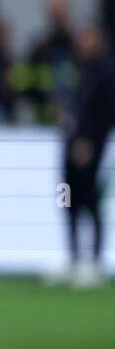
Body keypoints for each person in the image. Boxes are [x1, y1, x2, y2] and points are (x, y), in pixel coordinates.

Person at [59, 25, 115, 287]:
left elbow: (104, 113)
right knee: (66, 199)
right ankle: (72, 258)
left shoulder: (105, 71)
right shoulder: (75, 69)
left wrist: (89, 140)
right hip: (69, 143)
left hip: (90, 145)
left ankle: (93, 261)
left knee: (90, 200)